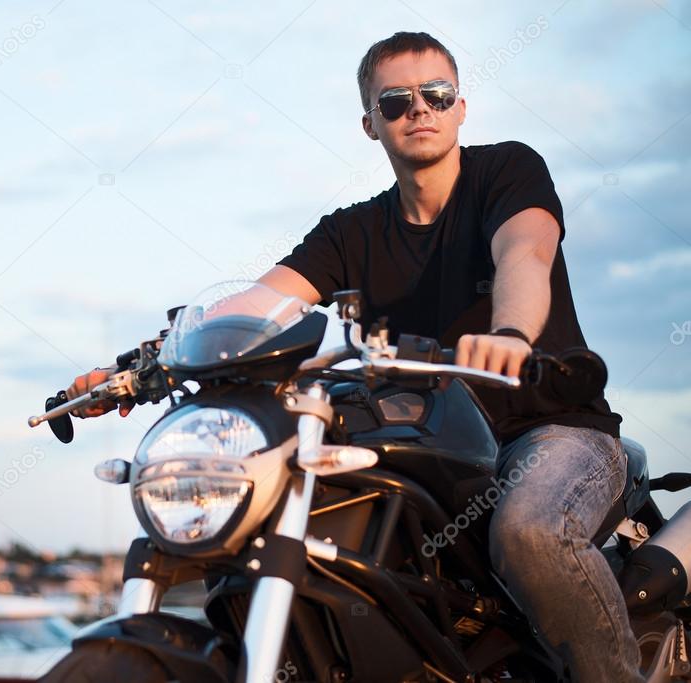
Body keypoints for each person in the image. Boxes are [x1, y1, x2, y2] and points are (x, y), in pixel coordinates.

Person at [66, 31, 640, 681]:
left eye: (436, 94)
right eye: (394, 101)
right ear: (369, 123)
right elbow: (254, 304)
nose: (417, 109)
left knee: (528, 531)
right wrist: (139, 366)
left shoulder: (504, 171)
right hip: (439, 458)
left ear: (459, 108)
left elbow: (525, 251)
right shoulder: (348, 232)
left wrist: (509, 331)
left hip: (549, 429)